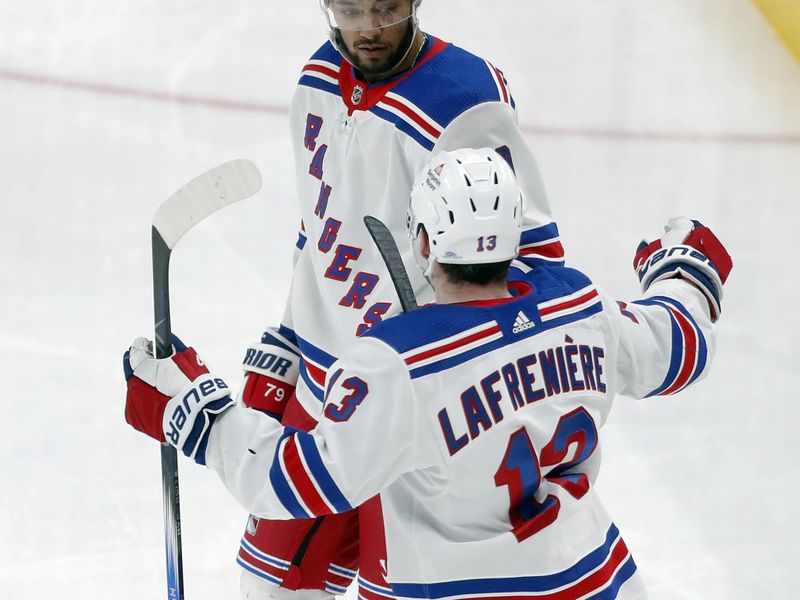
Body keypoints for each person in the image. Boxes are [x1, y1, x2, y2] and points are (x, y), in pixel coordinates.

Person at [124, 148, 733, 600]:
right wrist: (685, 270)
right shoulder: (580, 307)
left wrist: (195, 411)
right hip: (595, 583)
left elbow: (293, 483)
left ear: (422, 240)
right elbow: (677, 345)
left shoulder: (398, 364)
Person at [233, 0, 563, 598]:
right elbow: (318, 227)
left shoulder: (465, 99)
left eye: (384, 8)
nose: (368, 29)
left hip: (424, 409)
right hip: (324, 388)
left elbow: (531, 260)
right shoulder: (315, 80)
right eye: (351, 10)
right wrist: (288, 339)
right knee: (271, 587)